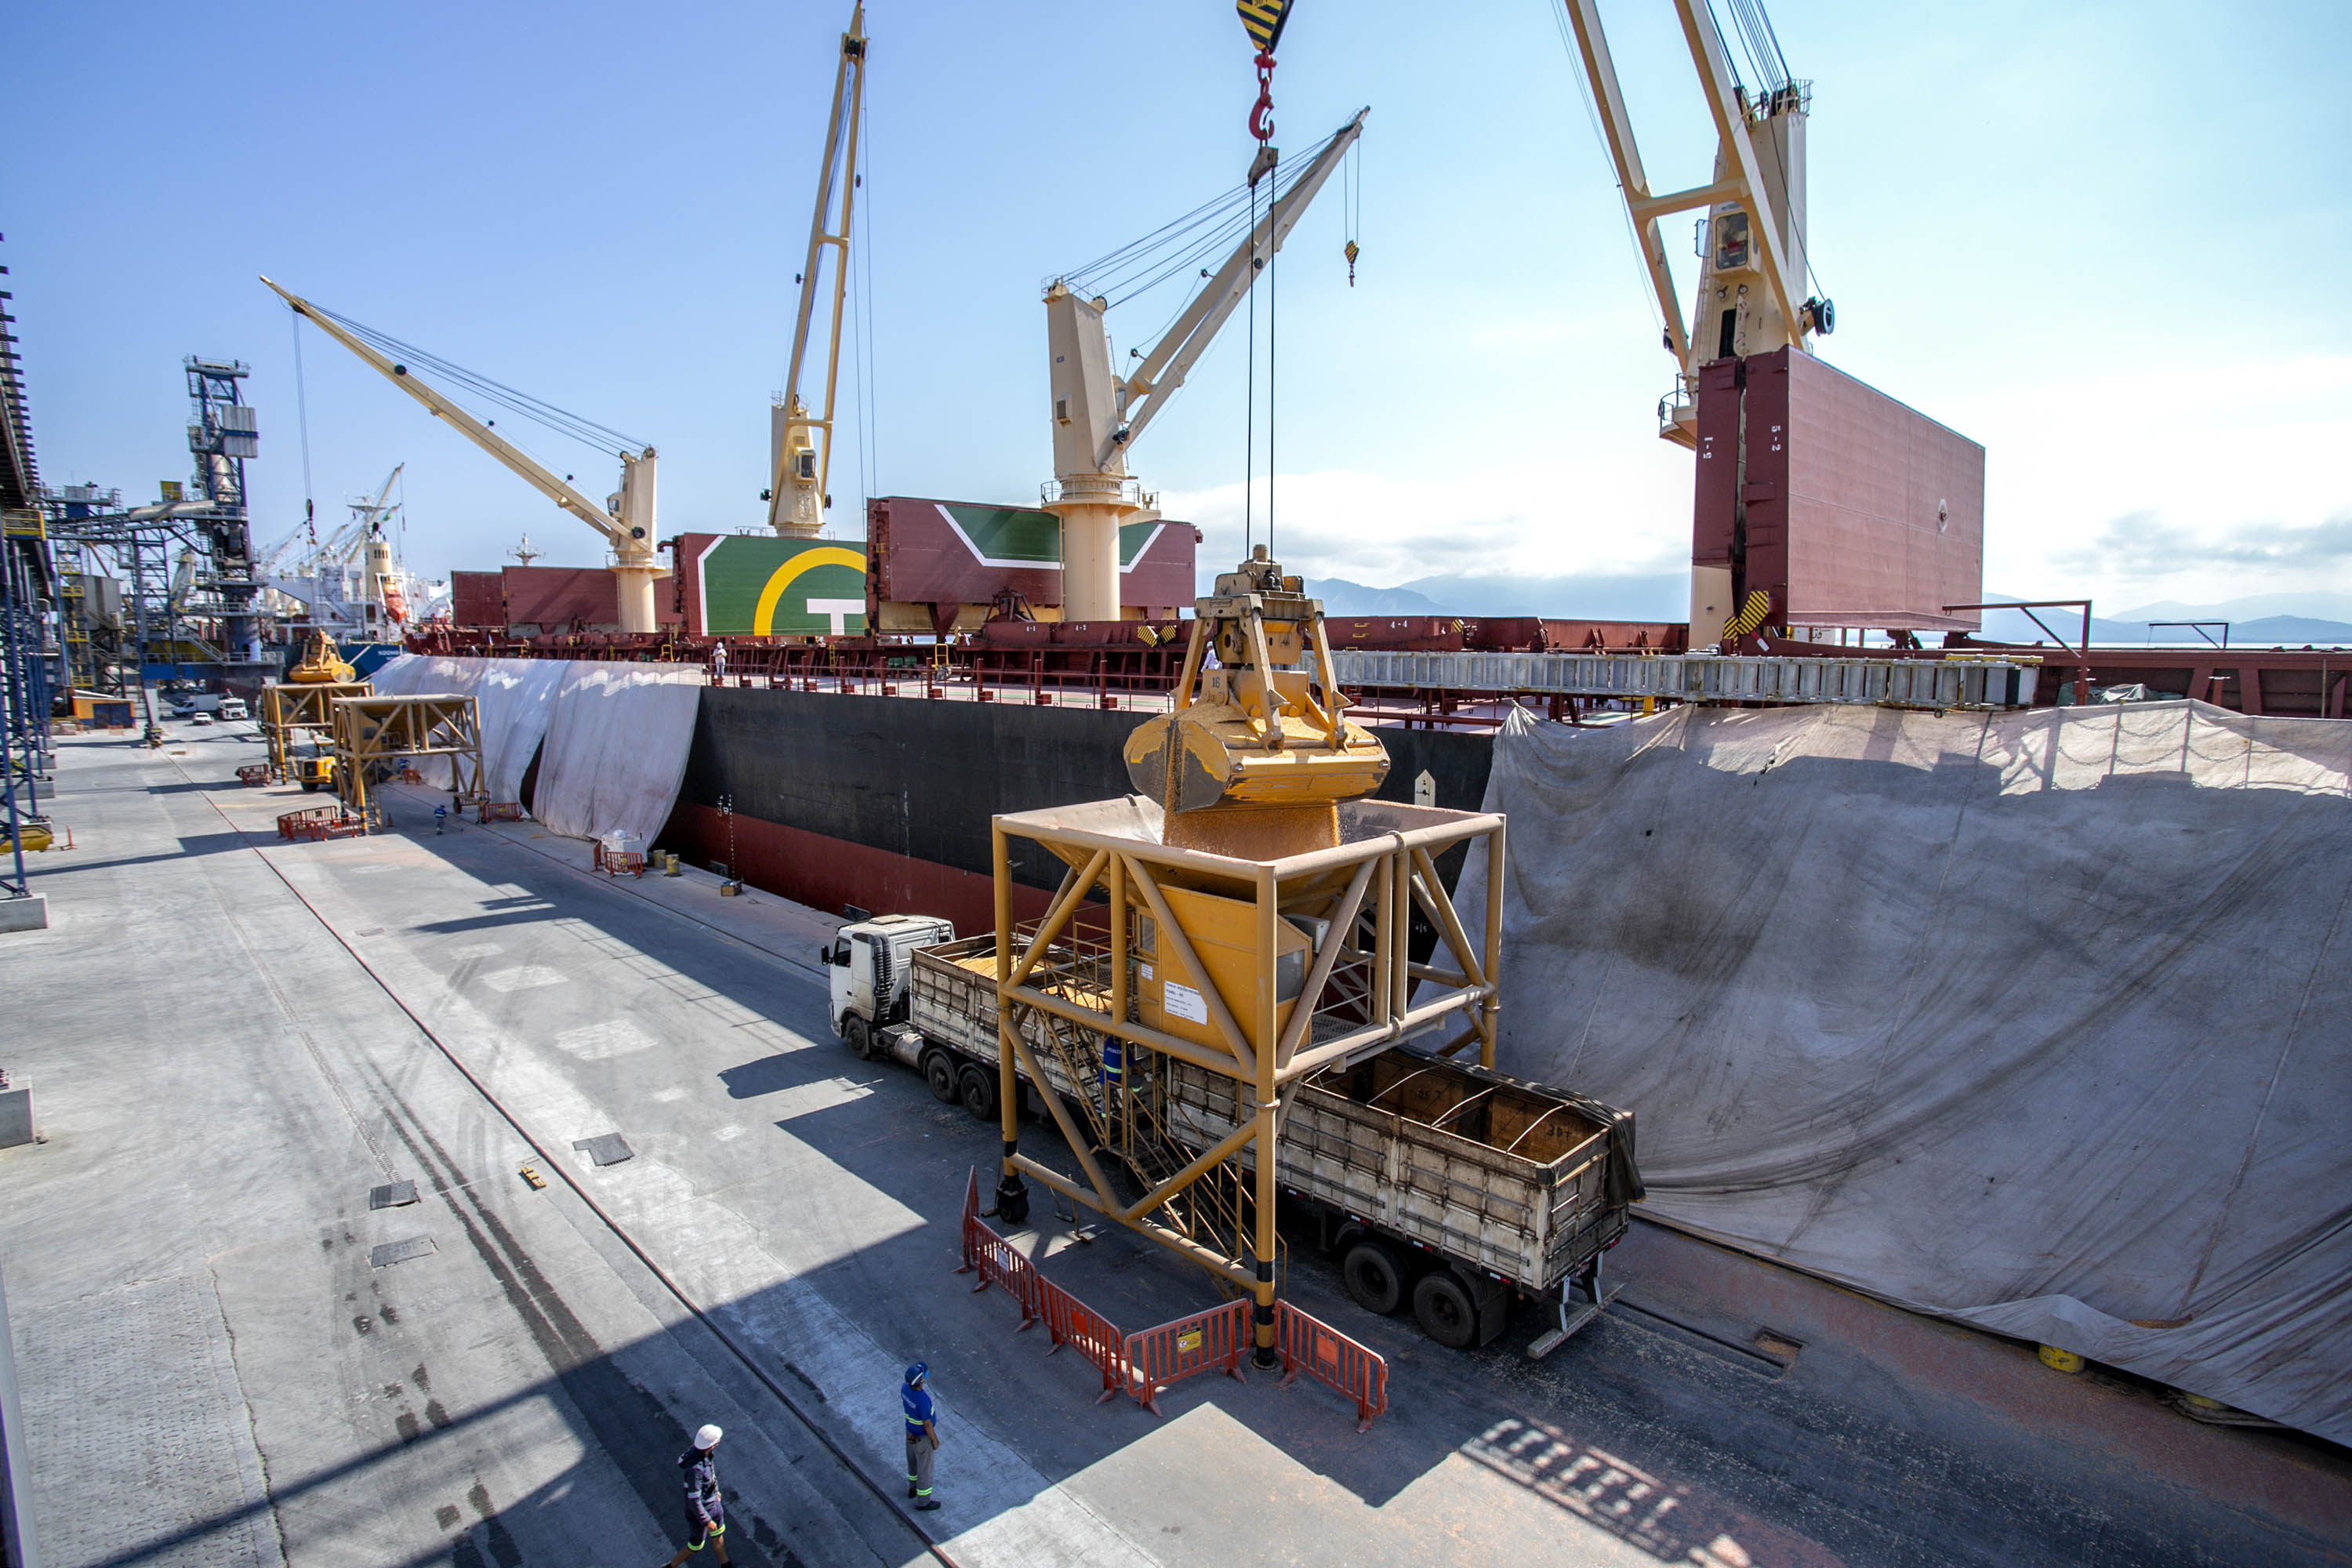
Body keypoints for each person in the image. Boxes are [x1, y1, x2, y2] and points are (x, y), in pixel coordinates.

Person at [660, 1425, 730, 1565]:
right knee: (695, 1546)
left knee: (718, 1535)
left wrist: (716, 1492)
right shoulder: (695, 1469)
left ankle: (726, 1565)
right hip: (700, 1514)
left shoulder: (703, 1453)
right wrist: (706, 1520)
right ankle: (670, 1566)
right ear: (714, 1444)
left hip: (713, 1505)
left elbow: (710, 1475)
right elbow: (694, 1501)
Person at [902, 1363, 940, 1511]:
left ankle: (912, 1488)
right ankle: (924, 1501)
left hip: (910, 1433)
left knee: (912, 1462)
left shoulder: (905, 1389)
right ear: (921, 1381)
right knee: (924, 1470)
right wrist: (934, 1441)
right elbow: (927, 1424)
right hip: (922, 1439)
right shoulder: (922, 1399)